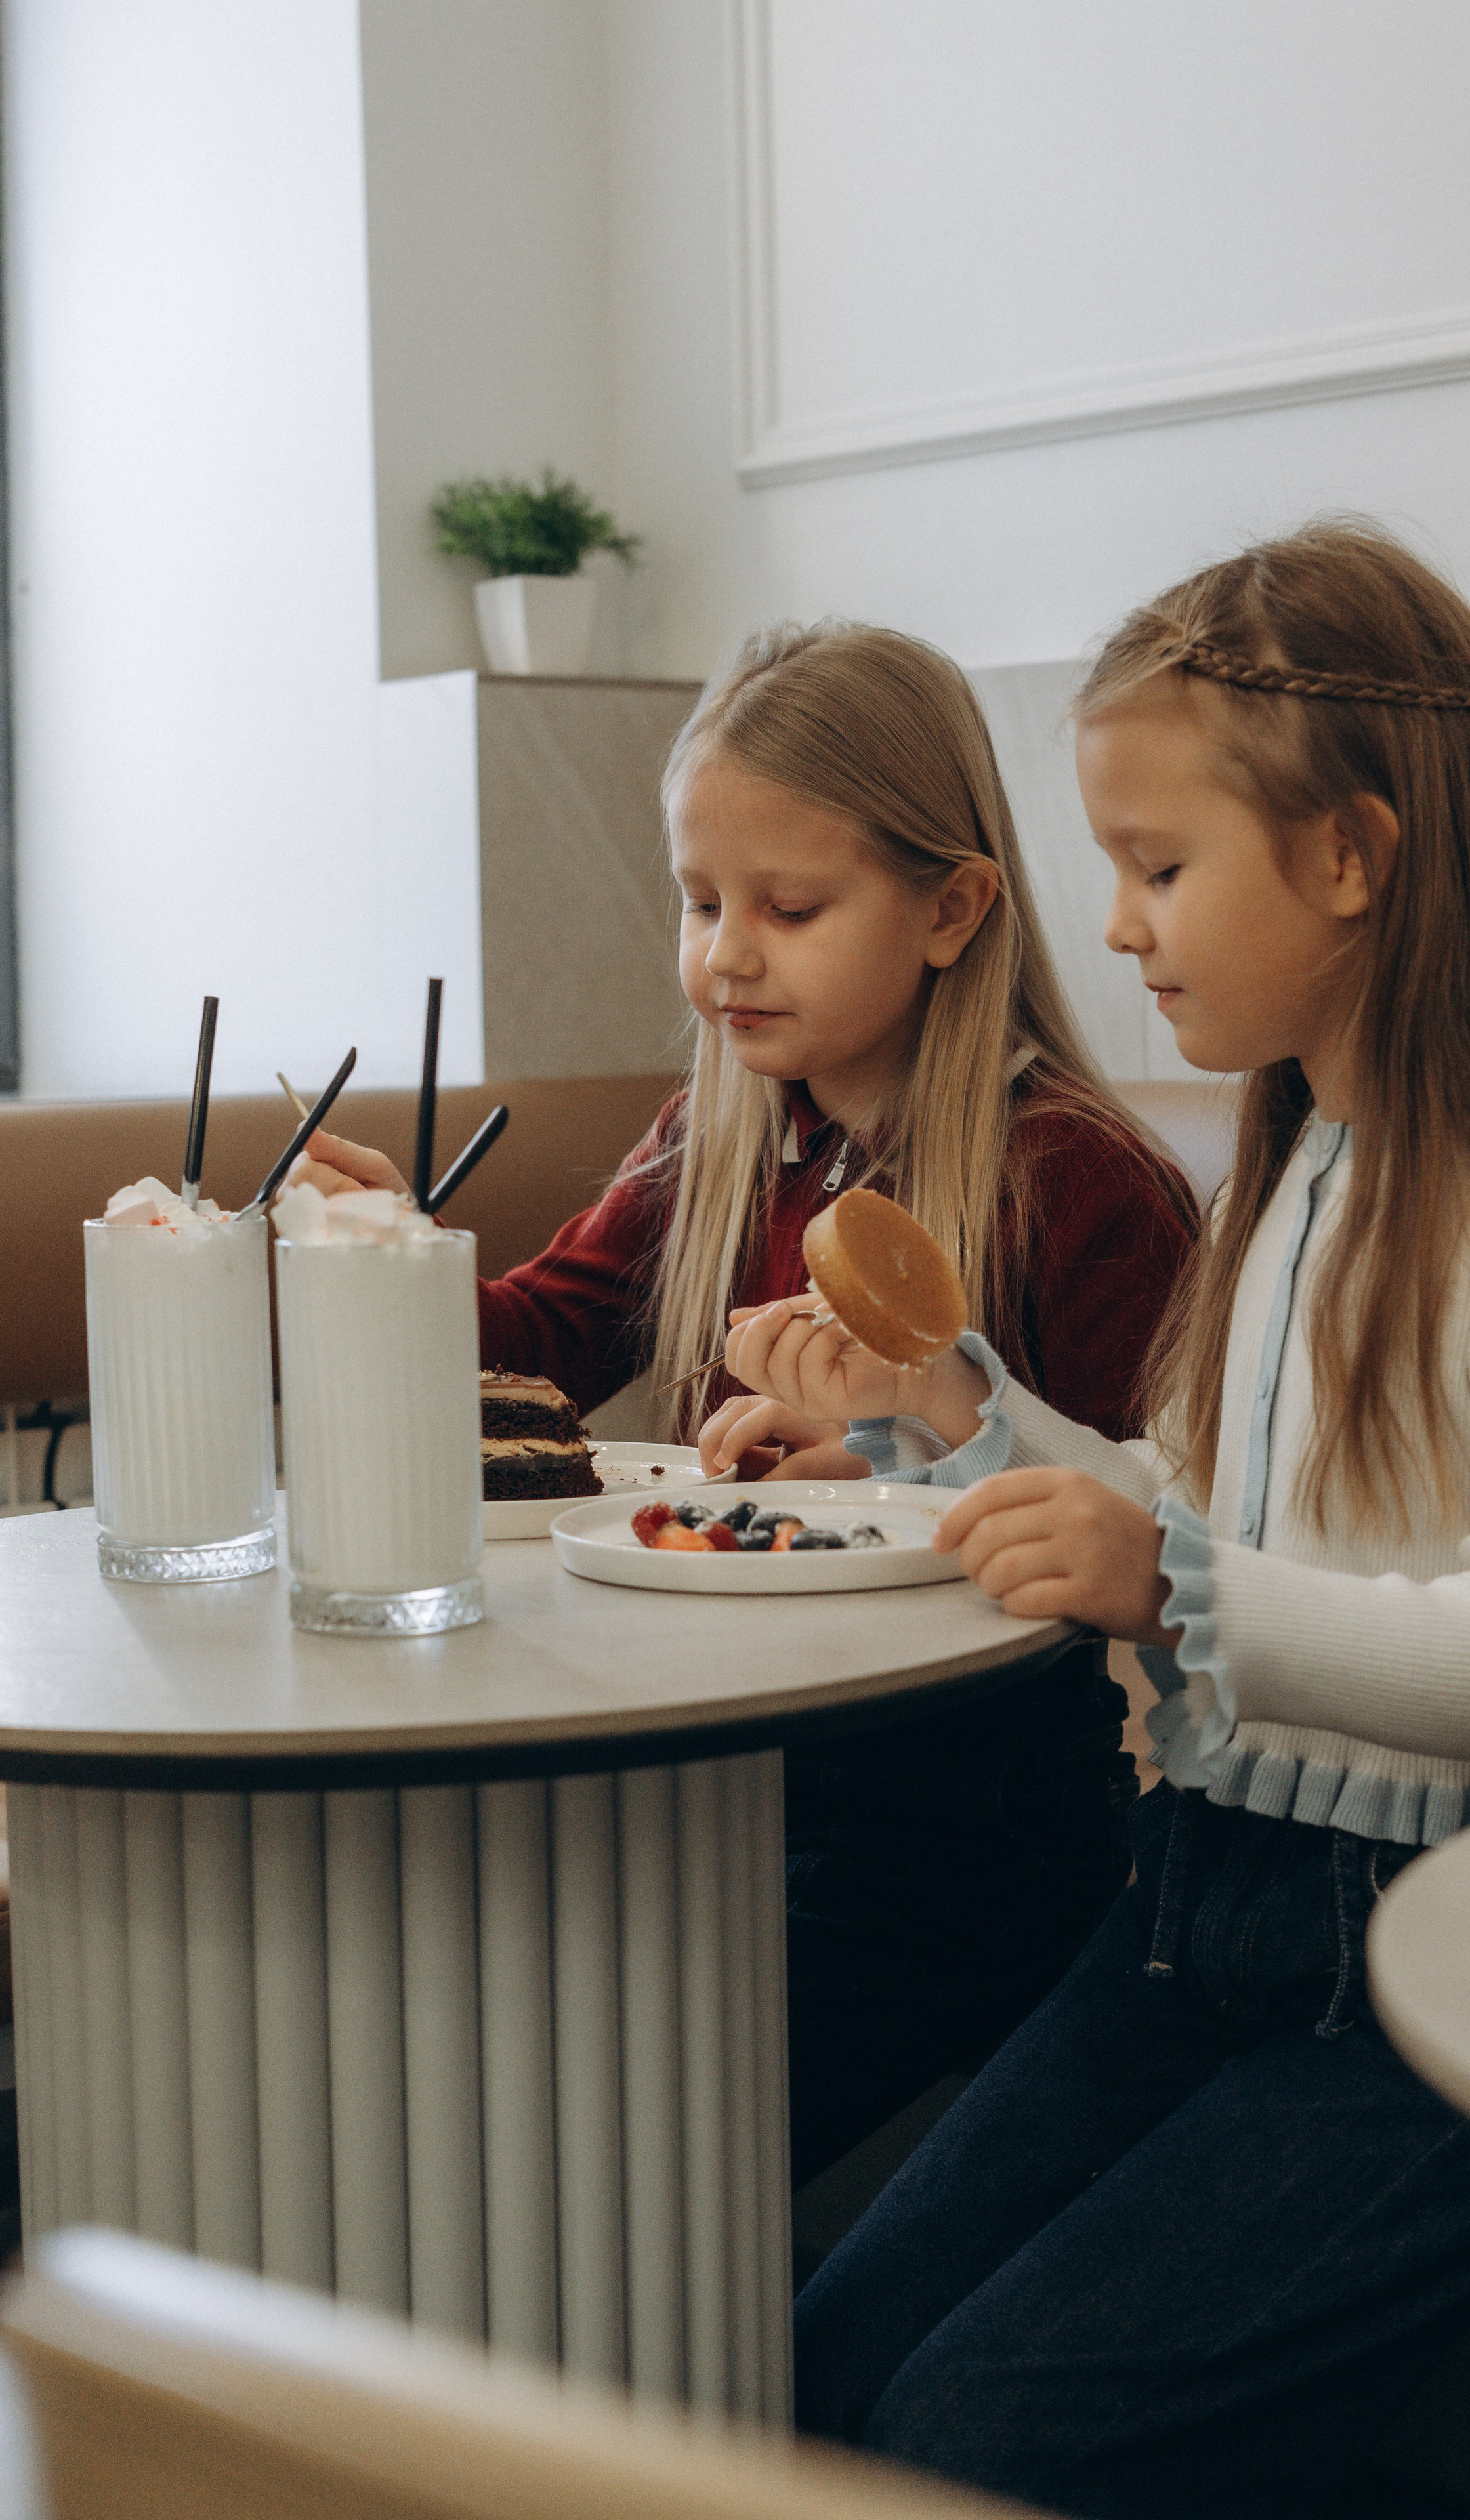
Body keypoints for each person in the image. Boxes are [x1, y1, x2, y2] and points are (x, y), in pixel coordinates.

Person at [730, 526, 1470, 2517]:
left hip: (1457, 1954)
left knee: (994, 2437)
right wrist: (953, 1423)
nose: (1126, 926)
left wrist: (1173, 1580)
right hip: (1204, 1910)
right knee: (813, 2371)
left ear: (1352, 856)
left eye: (1163, 869)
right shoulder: (1295, 1157)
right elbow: (1198, 1509)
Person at [291, 620, 1194, 2187]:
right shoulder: (720, 1140)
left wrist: (890, 1445)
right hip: (708, 1791)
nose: (725, 954)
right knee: (429, 2035)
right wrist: (388, 1262)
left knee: (600, 2147)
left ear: (950, 906)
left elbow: (1146, 1523)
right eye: (701, 904)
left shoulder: (1073, 1180)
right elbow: (542, 1346)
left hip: (958, 1835)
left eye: (788, 908)